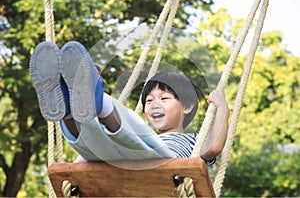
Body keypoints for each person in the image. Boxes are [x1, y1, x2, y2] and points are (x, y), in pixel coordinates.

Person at [29, 41, 229, 167]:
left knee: (136, 134)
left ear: (187, 106)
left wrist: (222, 107)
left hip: (166, 166)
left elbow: (213, 147)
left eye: (164, 98)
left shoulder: (193, 142)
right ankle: (69, 109)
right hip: (120, 165)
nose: (154, 104)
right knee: (98, 146)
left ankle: (100, 100)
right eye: (149, 101)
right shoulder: (145, 136)